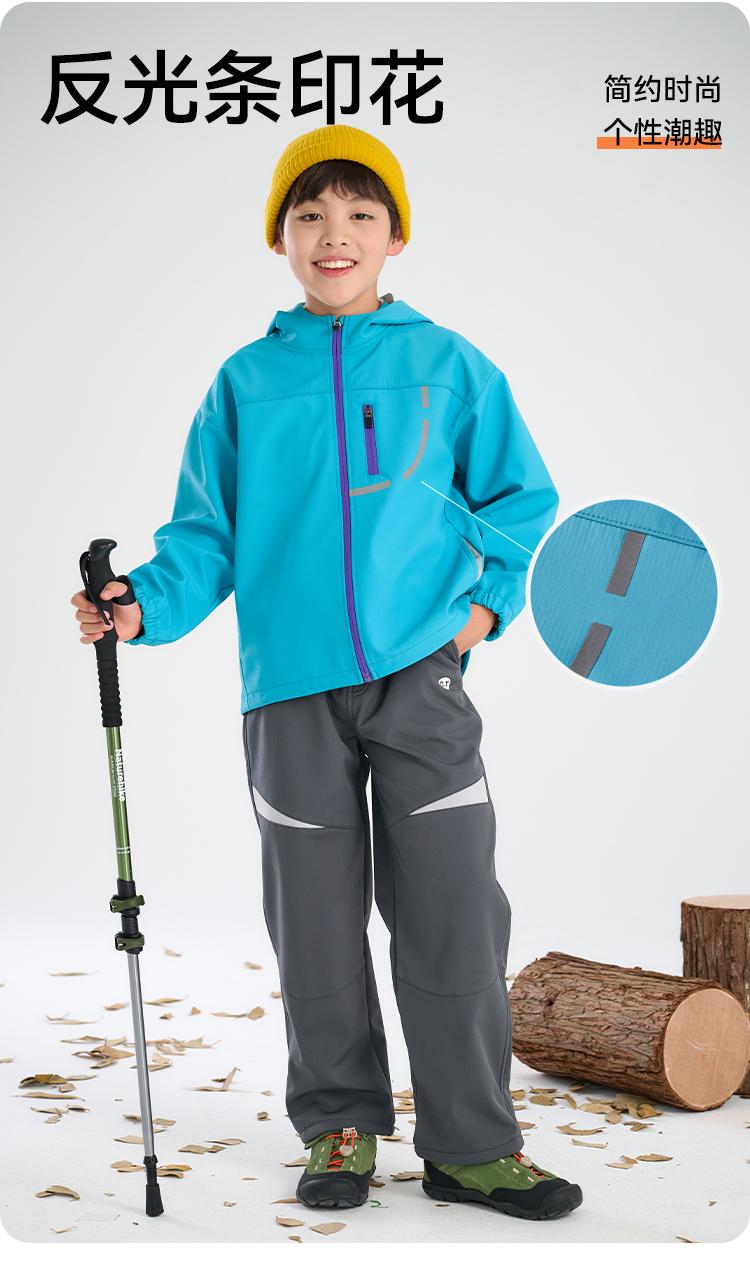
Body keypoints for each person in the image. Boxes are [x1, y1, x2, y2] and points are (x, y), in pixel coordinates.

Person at [71, 125, 582, 1223]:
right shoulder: (246, 382)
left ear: (395, 235)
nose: (333, 234)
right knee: (313, 919)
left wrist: (484, 609)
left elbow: (521, 500)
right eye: (309, 216)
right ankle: (339, 1122)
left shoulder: (450, 365)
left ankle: (473, 1144)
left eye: (359, 213)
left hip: (422, 681)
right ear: (281, 239)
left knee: (453, 911)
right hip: (289, 692)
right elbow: (206, 534)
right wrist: (142, 604)